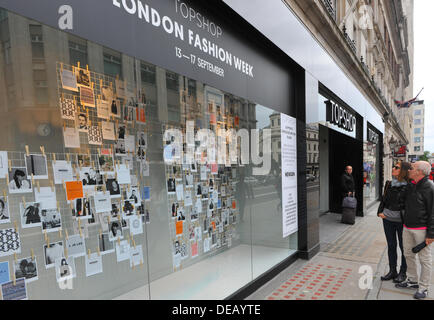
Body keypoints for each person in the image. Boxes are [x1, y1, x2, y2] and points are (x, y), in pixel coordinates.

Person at [395, 161, 434, 299]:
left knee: (425, 259)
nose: (409, 170)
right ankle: (413, 281)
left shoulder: (430, 187)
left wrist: (431, 234)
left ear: (419, 172)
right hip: (407, 227)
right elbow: (402, 201)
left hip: (422, 230)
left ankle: (424, 288)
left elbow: (433, 212)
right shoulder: (411, 185)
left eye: (412, 168)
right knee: (408, 255)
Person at [377, 161, 410, 283]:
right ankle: (392, 271)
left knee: (403, 247)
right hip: (387, 220)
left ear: (403, 171)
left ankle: (403, 272)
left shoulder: (409, 186)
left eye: (396, 167)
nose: (393, 168)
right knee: (391, 246)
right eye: (393, 166)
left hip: (402, 222)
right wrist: (380, 212)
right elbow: (384, 199)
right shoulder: (388, 184)